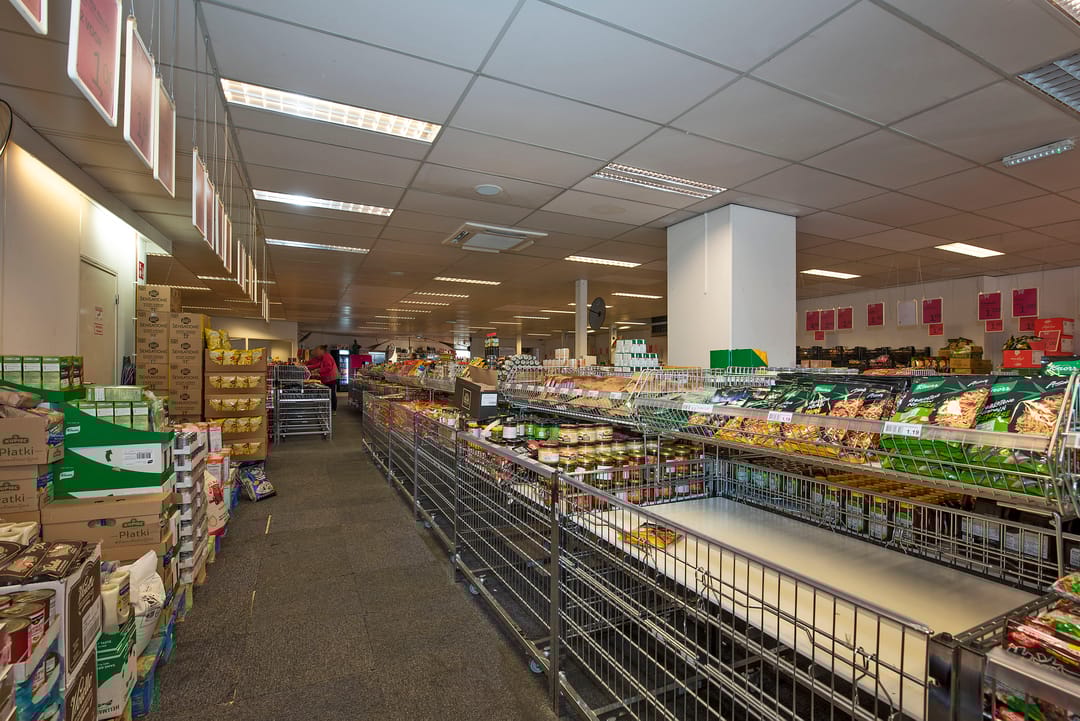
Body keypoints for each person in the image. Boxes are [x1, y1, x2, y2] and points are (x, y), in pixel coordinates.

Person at [305, 345, 339, 412]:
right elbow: (318, 364)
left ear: (321, 350)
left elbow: (328, 367)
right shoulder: (323, 357)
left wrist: (318, 370)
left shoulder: (327, 357)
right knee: (329, 393)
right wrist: (307, 367)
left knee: (331, 393)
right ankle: (330, 408)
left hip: (331, 378)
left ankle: (333, 409)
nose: (316, 353)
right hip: (329, 378)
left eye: (317, 351)